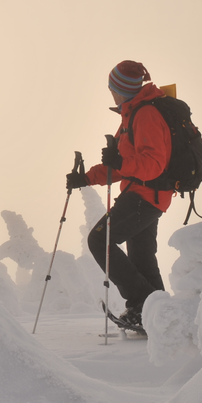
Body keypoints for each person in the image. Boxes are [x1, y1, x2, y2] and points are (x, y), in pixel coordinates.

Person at [66, 60, 172, 329]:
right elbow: (120, 165)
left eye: (112, 87)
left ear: (121, 89)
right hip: (148, 195)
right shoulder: (132, 114)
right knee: (142, 258)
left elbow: (153, 164)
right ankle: (159, 317)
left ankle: (143, 304)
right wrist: (86, 177)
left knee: (99, 241)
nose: (110, 92)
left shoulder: (145, 114)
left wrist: (120, 162)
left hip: (145, 195)